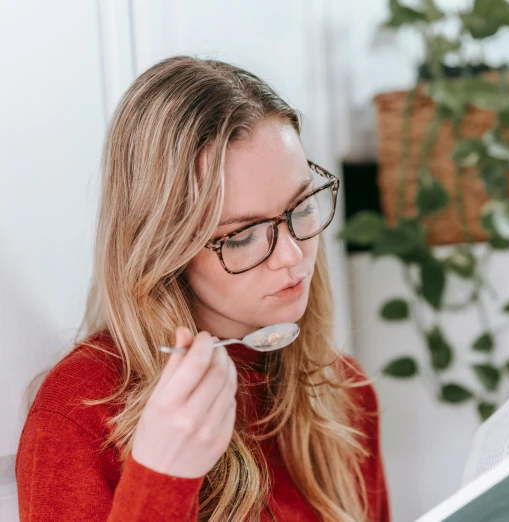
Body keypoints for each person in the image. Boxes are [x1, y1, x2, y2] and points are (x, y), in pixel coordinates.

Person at [15, 55, 390, 522]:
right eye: (243, 235)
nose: (292, 255)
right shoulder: (81, 413)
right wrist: (161, 478)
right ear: (164, 249)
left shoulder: (344, 391)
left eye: (300, 207)